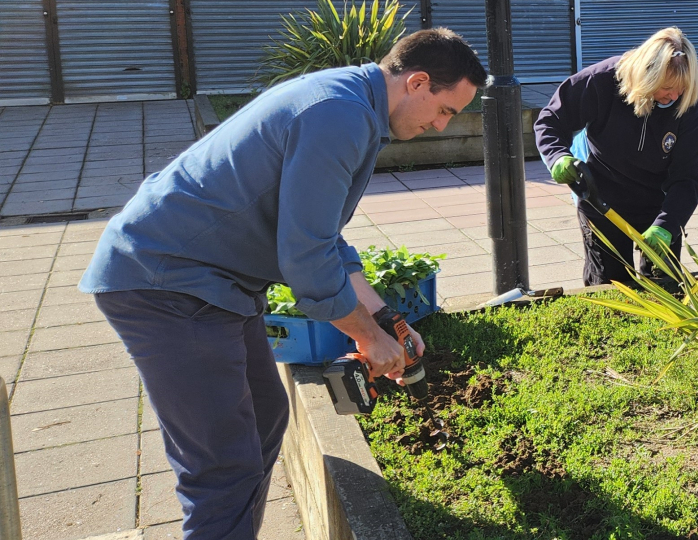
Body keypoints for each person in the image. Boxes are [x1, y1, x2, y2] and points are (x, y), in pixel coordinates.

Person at [78, 28, 486, 539]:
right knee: (224, 465)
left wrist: (388, 320)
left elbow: (324, 238)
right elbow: (307, 260)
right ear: (418, 82)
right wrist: (367, 337)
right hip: (169, 282)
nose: (441, 125)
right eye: (446, 110)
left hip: (212, 279)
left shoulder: (350, 101)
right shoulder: (339, 116)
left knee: (267, 415)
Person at [534, 27, 698, 285]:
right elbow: (551, 120)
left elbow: (688, 176)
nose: (674, 96)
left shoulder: (688, 107)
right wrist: (557, 156)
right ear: (648, 76)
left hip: (659, 205)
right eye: (668, 87)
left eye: (681, 89)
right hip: (601, 199)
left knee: (665, 288)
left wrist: (667, 225)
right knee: (610, 287)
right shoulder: (602, 81)